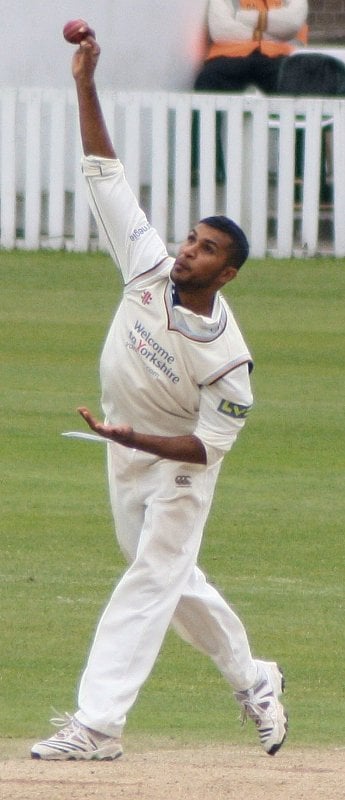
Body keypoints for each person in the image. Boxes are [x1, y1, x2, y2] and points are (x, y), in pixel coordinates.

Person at [31, 28, 287, 762]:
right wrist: (85, 79)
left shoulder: (229, 362)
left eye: (205, 248)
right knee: (171, 581)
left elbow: (206, 446)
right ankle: (255, 677)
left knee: (148, 582)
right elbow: (103, 172)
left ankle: (97, 725)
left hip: (175, 466)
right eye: (188, 238)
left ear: (227, 273)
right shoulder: (147, 266)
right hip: (124, 445)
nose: (185, 250)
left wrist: (131, 438)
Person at [192, 0, 309, 182]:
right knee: (207, 82)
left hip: (277, 57)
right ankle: (206, 168)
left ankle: (298, 171)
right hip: (231, 55)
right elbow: (220, 29)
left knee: (299, 88)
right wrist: (272, 31)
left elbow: (293, 22)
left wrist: (242, 18)